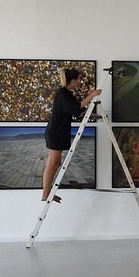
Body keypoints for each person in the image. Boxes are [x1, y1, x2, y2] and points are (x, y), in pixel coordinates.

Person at [42, 68, 100, 201]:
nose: (80, 82)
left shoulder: (67, 94)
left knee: (55, 163)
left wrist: (93, 115)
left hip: (58, 132)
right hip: (56, 132)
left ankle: (47, 192)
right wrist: (91, 95)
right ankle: (46, 193)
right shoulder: (62, 93)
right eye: (79, 79)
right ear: (73, 81)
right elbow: (76, 107)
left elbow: (77, 110)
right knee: (53, 163)